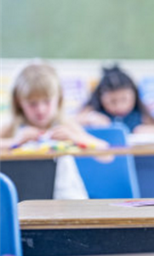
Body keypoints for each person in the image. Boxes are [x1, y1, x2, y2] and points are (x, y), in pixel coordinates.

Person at [0, 62, 108, 199]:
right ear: (18, 102)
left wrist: (76, 138)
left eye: (47, 101)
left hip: (68, 200)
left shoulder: (65, 125)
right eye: (32, 103)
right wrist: (14, 142)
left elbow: (106, 154)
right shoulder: (12, 127)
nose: (41, 109)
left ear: (59, 99)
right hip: (24, 202)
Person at [76, 65, 154, 134]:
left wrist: (148, 130)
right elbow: (70, 123)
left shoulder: (141, 114)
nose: (119, 106)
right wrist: (90, 118)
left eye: (124, 100)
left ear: (134, 95)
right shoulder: (92, 110)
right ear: (100, 98)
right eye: (112, 101)